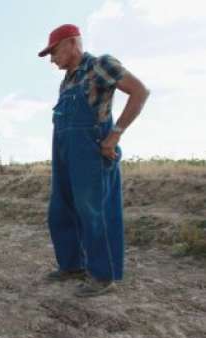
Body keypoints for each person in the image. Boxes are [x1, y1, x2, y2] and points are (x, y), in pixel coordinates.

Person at [38, 24, 149, 297]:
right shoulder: (68, 80)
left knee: (94, 211)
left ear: (72, 43)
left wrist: (115, 135)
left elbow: (140, 92)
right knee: (60, 209)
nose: (52, 59)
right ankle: (72, 265)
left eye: (54, 52)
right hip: (64, 150)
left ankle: (102, 275)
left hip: (90, 151)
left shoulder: (101, 65)